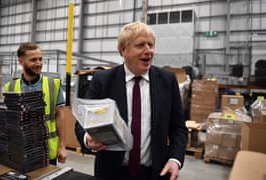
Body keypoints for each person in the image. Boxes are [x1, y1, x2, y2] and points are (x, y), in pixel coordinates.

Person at [75, 21, 188, 180]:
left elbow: (178, 128)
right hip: (112, 173)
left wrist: (175, 159)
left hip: (155, 173)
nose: (148, 51)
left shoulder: (167, 81)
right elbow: (82, 122)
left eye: (151, 45)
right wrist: (88, 139)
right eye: (141, 45)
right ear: (123, 50)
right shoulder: (103, 80)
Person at [4, 42, 67, 165]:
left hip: (47, 149)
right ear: (21, 61)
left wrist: (62, 146)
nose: (38, 63)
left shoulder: (53, 84)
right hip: (20, 148)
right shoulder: (10, 87)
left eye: (40, 59)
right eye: (33, 60)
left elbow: (61, 115)